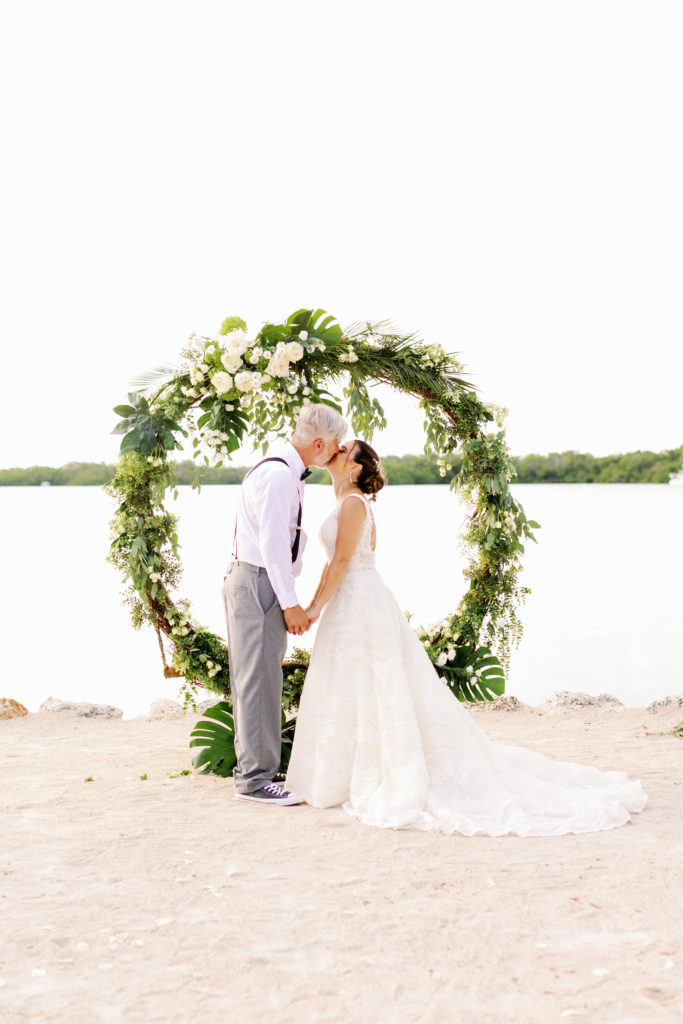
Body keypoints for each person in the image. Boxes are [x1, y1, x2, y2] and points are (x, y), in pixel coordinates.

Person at [285, 440, 648, 835]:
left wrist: (314, 609)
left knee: (372, 685)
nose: (335, 450)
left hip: (361, 603)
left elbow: (342, 561)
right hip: (350, 602)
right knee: (352, 686)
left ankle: (377, 771)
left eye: (344, 450)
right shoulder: (345, 502)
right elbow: (332, 563)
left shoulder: (354, 504)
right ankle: (341, 772)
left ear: (354, 469)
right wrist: (311, 606)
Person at [222, 403, 347, 806]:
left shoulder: (286, 474)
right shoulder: (278, 477)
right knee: (258, 682)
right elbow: (274, 549)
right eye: (335, 444)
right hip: (259, 581)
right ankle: (255, 782)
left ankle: (254, 771)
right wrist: (291, 603)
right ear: (319, 442)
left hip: (255, 579)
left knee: (255, 678)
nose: (337, 451)